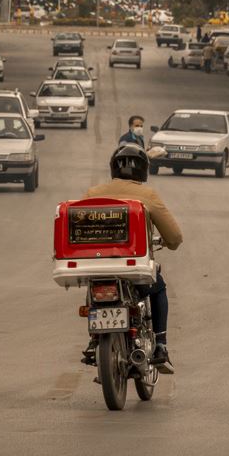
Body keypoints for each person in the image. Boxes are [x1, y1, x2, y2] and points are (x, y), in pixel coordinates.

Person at [82, 145, 182, 374]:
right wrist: (169, 243)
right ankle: (161, 346)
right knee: (159, 289)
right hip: (134, 268)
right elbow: (175, 237)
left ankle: (94, 338)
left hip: (96, 266)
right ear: (144, 170)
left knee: (94, 289)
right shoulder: (147, 196)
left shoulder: (93, 193)